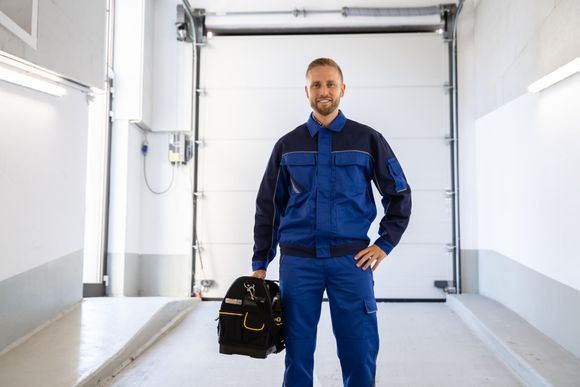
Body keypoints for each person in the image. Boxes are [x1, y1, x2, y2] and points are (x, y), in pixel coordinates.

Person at [251, 57, 412, 387]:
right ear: (306, 90)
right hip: (299, 263)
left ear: (342, 89)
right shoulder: (287, 145)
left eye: (330, 84)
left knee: (359, 348)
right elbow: (269, 207)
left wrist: (384, 244)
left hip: (351, 262)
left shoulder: (368, 140)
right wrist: (260, 262)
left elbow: (399, 195)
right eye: (316, 84)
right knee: (297, 351)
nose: (323, 91)